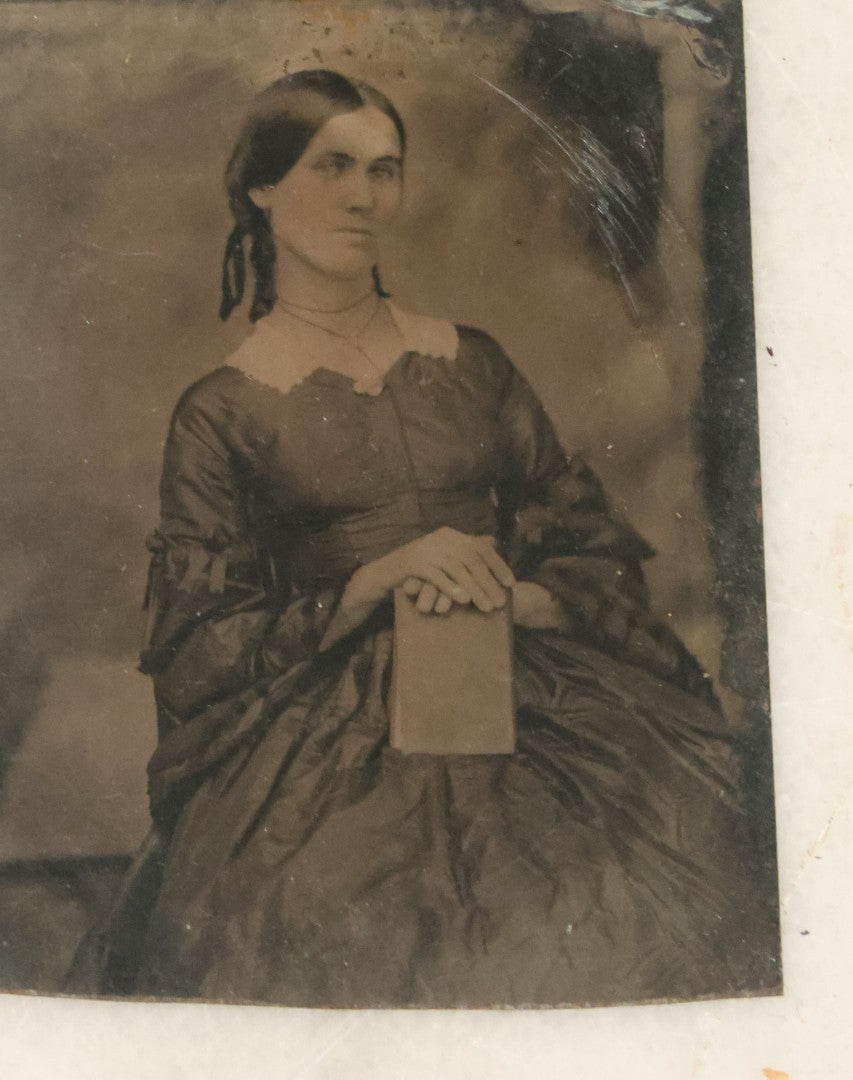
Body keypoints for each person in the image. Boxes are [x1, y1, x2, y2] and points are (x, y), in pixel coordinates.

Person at [87, 69, 766, 1006]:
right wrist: (376, 582)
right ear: (262, 187)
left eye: (384, 169)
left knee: (659, 871)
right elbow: (202, 645)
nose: (364, 196)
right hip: (323, 732)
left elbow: (587, 548)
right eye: (332, 167)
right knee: (325, 910)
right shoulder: (222, 411)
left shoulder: (470, 361)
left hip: (532, 683)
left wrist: (516, 597)